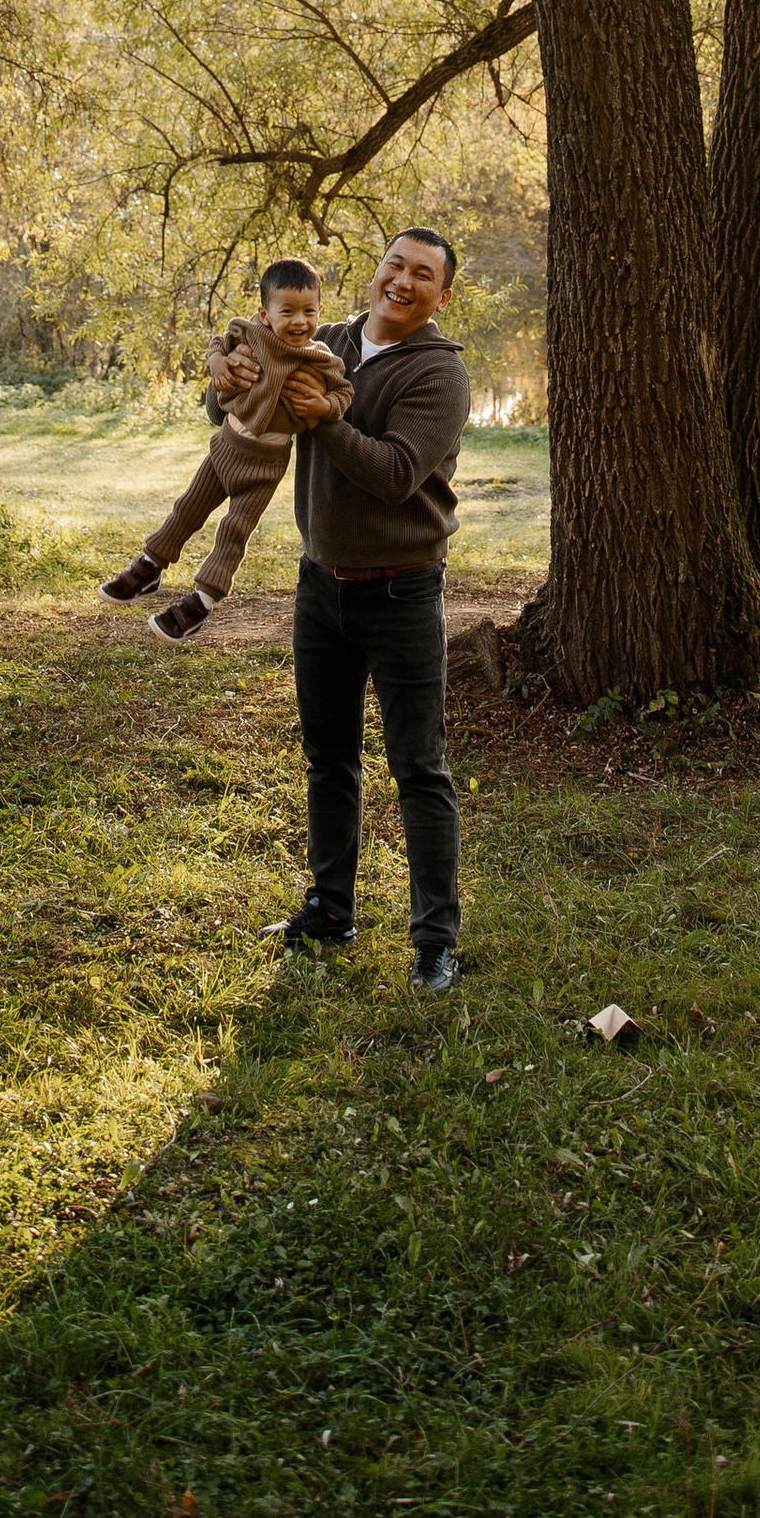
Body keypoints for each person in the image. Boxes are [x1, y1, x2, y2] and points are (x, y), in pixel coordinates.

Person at [241, 226, 470, 997]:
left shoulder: (439, 374)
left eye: (424, 276)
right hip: (321, 587)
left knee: (419, 767)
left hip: (404, 590)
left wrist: (327, 420)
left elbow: (399, 473)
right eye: (395, 266)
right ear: (376, 273)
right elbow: (242, 402)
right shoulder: (324, 338)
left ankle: (435, 941)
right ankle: (330, 912)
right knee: (328, 758)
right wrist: (230, 373)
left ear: (442, 295)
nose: (403, 282)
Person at [99, 255, 352, 641]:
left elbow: (343, 392)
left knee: (234, 531)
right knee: (188, 507)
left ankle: (200, 602)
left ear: (320, 311)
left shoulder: (320, 359)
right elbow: (219, 341)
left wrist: (325, 407)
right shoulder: (249, 334)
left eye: (309, 311)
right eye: (288, 311)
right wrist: (217, 361)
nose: (300, 321)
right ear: (265, 314)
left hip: (265, 466)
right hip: (224, 448)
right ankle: (150, 566)